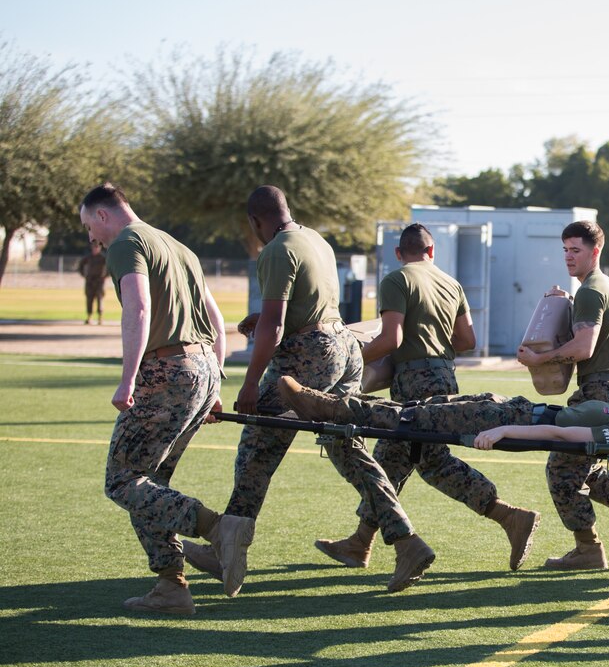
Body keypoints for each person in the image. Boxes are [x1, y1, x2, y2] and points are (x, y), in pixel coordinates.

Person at [183, 186, 435, 593]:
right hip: (344, 348)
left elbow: (276, 327)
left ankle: (226, 547)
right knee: (347, 448)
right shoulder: (315, 239)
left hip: (307, 356)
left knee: (257, 451)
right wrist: (262, 317)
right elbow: (306, 305)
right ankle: (406, 540)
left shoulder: (276, 250)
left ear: (255, 221)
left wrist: (250, 382)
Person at [314, 224, 541, 572]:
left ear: (399, 253)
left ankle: (509, 516)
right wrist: (433, 342)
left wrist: (353, 360)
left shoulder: (397, 279)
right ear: (432, 251)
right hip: (444, 376)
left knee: (414, 459)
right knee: (405, 461)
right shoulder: (451, 283)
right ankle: (361, 542)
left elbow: (391, 338)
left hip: (412, 382)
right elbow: (467, 341)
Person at [79, 183, 252, 615]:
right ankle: (171, 586)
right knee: (149, 485)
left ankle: (218, 528)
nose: (90, 239)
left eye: (88, 227)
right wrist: (214, 379)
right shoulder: (177, 246)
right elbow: (214, 316)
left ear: (103, 215)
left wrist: (128, 379)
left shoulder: (126, 243)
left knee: (122, 481)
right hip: (200, 368)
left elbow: (137, 309)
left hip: (165, 371)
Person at [516, 221, 609, 570]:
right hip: (607, 387)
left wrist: (539, 358)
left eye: (577, 251)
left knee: (561, 471)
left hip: (602, 390)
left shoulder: (591, 290)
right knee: (579, 467)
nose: (569, 257)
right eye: (565, 250)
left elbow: (585, 347)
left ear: (595, 251)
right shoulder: (602, 286)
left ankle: (589, 549)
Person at [277, 376, 609, 453]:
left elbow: (562, 437)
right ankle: (330, 401)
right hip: (517, 407)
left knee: (411, 421)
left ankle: (327, 405)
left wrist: (502, 428)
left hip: (516, 420)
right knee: (425, 409)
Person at [77, 240, 109, 325]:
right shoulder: (88, 257)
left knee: (100, 299)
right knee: (89, 299)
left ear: (100, 248)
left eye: (97, 247)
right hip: (90, 281)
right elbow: (80, 265)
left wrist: (105, 276)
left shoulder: (103, 258)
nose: (95, 249)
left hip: (99, 281)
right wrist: (84, 274)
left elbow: (110, 267)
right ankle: (89, 317)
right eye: (94, 247)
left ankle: (100, 318)